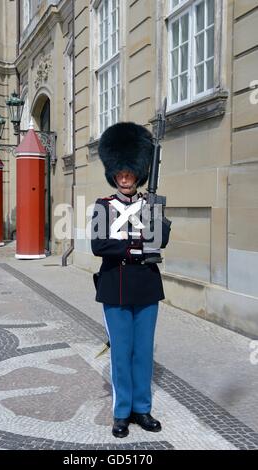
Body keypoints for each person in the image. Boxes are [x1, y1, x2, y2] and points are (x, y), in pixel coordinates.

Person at [91, 121, 171, 438]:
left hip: (146, 287)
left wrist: (157, 217)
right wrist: (134, 247)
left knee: (143, 351)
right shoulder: (104, 206)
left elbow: (161, 241)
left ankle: (142, 408)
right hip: (115, 286)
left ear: (138, 173)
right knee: (121, 352)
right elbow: (100, 245)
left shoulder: (149, 204)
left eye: (130, 172)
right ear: (114, 174)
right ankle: (121, 412)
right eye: (120, 173)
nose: (125, 177)